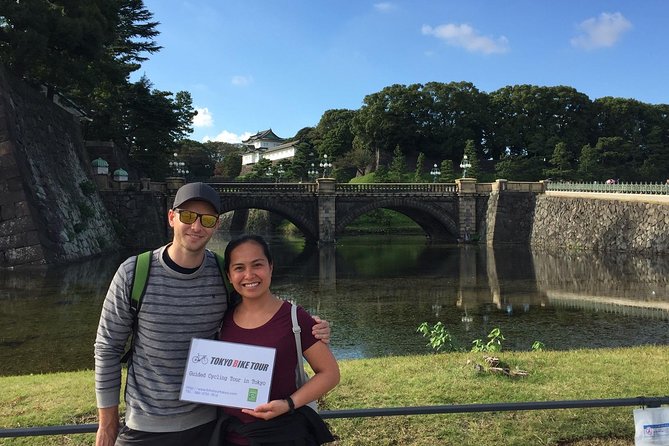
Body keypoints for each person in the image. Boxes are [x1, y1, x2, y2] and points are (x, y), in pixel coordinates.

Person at [94, 182, 331, 446]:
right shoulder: (134, 273)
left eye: (206, 219)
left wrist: (308, 326)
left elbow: (255, 308)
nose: (196, 226)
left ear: (216, 225)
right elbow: (107, 348)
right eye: (187, 216)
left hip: (209, 426)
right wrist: (107, 424)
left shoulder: (221, 273)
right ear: (171, 217)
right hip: (146, 425)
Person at [214, 234, 340, 445]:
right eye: (239, 268)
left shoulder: (295, 318)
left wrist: (288, 403)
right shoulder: (220, 320)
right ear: (228, 275)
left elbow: (330, 373)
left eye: (257, 265)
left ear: (271, 267)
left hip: (283, 435)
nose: (249, 275)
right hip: (231, 438)